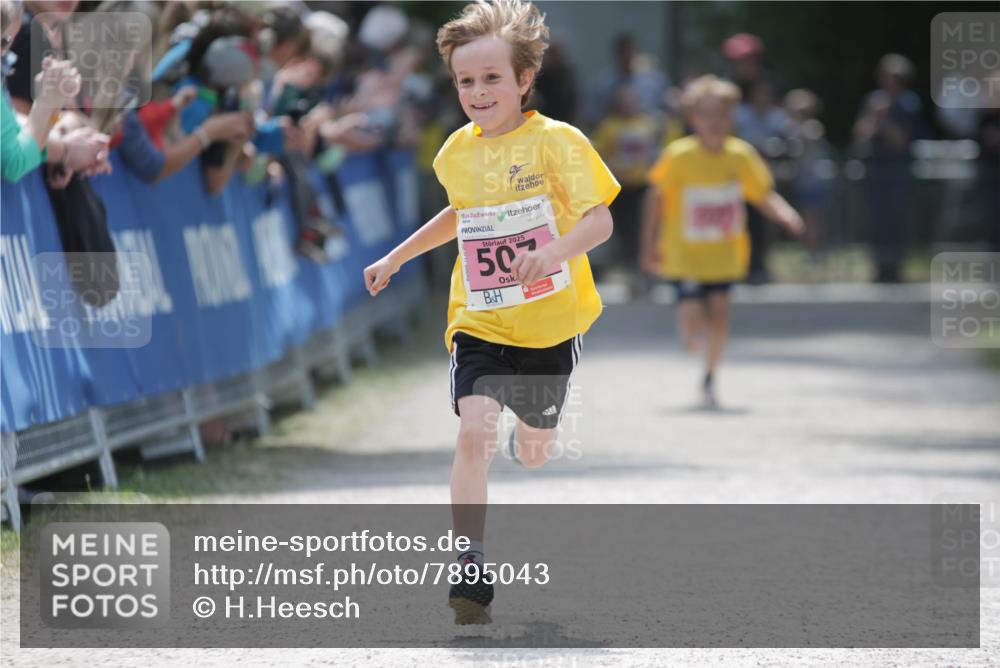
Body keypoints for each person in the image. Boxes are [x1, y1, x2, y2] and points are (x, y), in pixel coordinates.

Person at [363, 0, 619, 625]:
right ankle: (470, 564)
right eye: (465, 81)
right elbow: (459, 215)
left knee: (533, 452)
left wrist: (552, 253)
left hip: (549, 324)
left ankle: (529, 434)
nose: (477, 92)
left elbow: (600, 221)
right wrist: (395, 257)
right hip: (479, 317)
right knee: (473, 430)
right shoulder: (456, 151)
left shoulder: (558, 142)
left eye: (491, 78)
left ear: (524, 79)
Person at [641, 75, 803, 407]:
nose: (714, 122)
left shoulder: (741, 156)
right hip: (685, 254)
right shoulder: (679, 155)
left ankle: (710, 376)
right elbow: (654, 198)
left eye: (721, 115)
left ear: (732, 118)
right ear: (693, 119)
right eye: (706, 115)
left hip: (724, 255)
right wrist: (649, 244)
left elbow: (763, 194)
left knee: (719, 317)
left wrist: (786, 214)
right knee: (691, 314)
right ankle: (689, 329)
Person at [852, 53, 922, 283]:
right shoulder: (873, 101)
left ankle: (896, 268)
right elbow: (860, 135)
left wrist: (885, 119)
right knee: (876, 220)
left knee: (897, 219)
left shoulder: (908, 103)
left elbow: (900, 141)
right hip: (875, 170)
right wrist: (874, 117)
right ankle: (879, 267)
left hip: (898, 171)